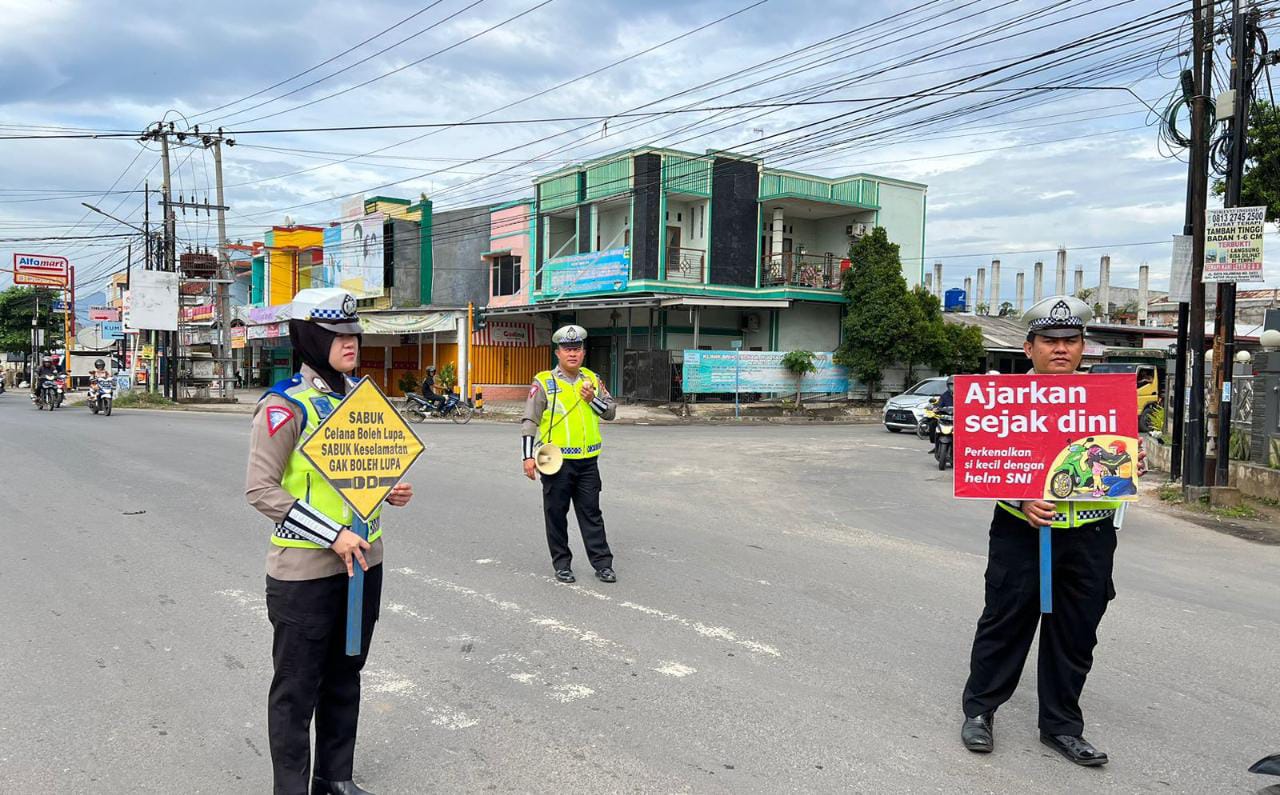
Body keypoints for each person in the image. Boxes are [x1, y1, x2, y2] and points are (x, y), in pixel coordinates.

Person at [959, 295, 1145, 767]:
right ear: (1029, 348)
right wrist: (1021, 497)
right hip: (1021, 529)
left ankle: (1061, 727)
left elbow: (1119, 460)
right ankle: (981, 710)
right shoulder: (1001, 400)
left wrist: (1135, 461)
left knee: (1076, 632)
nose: (1060, 349)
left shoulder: (1108, 400)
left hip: (1091, 533)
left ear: (1083, 347)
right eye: (1049, 341)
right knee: (1005, 621)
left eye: (1070, 340)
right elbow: (983, 462)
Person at [245, 287, 414, 795]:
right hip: (305, 573)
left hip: (363, 565)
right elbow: (260, 490)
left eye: (353, 333)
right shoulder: (283, 406)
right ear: (310, 337)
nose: (350, 342)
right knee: (296, 689)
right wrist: (331, 534)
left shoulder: (361, 400)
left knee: (346, 676)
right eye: (336, 333)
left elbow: (357, 476)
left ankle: (335, 778)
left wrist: (390, 487)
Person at [520, 324, 617, 584]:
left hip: (587, 461)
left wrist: (591, 399)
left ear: (583, 352)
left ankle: (603, 564)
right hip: (556, 460)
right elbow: (530, 419)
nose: (572, 354)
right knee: (556, 513)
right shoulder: (543, 381)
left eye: (577, 349)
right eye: (567, 349)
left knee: (591, 514)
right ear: (558, 352)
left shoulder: (593, 380)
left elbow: (610, 412)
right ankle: (562, 564)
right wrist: (528, 457)